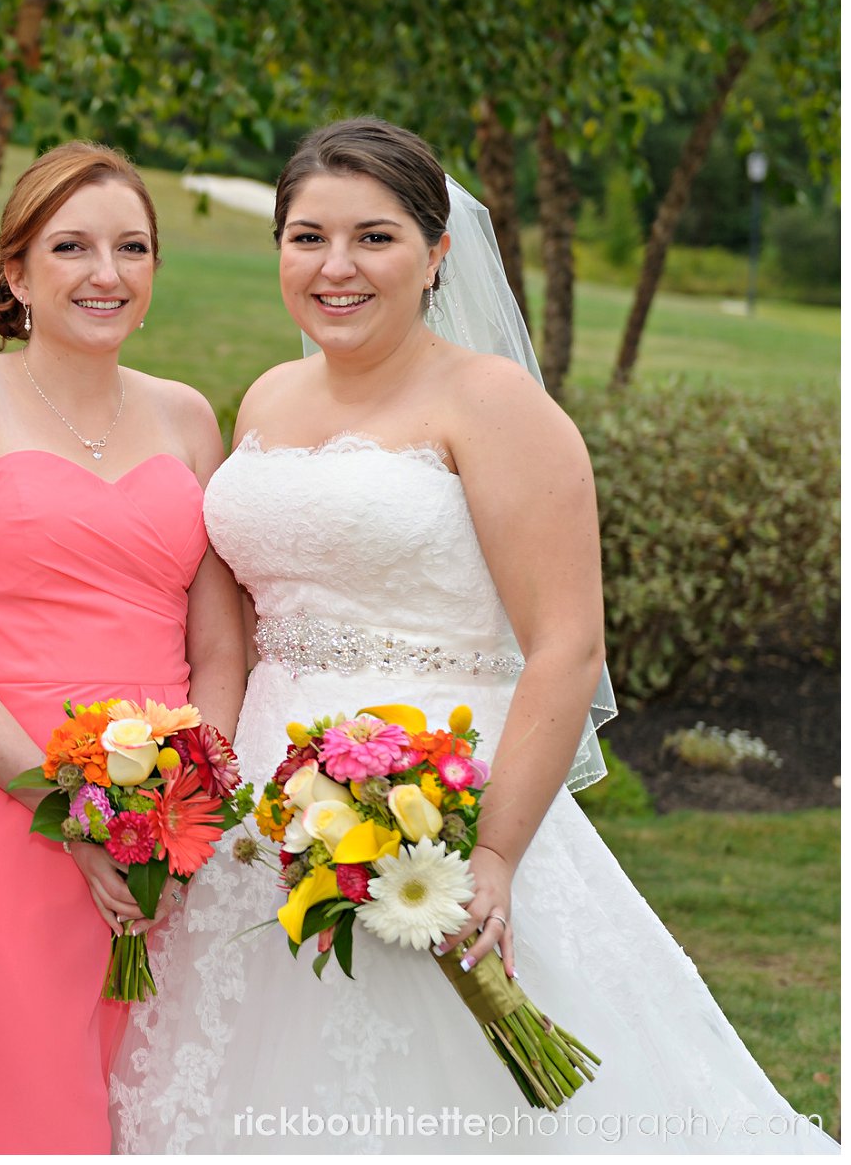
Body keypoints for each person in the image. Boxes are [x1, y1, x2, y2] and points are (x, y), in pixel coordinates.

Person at [112, 117, 836, 1153]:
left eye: (375, 237)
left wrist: (490, 854)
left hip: (441, 796)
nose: (336, 266)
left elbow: (567, 646)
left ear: (437, 251)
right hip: (262, 804)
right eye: (306, 237)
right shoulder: (270, 396)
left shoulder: (493, 403)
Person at [0, 141, 248, 1154]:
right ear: (17, 272)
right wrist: (63, 808)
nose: (107, 274)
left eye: (133, 248)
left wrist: (186, 802)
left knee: (144, 1098)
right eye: (73, 247)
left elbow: (219, 644)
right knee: (31, 1111)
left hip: (162, 823)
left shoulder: (185, 416)